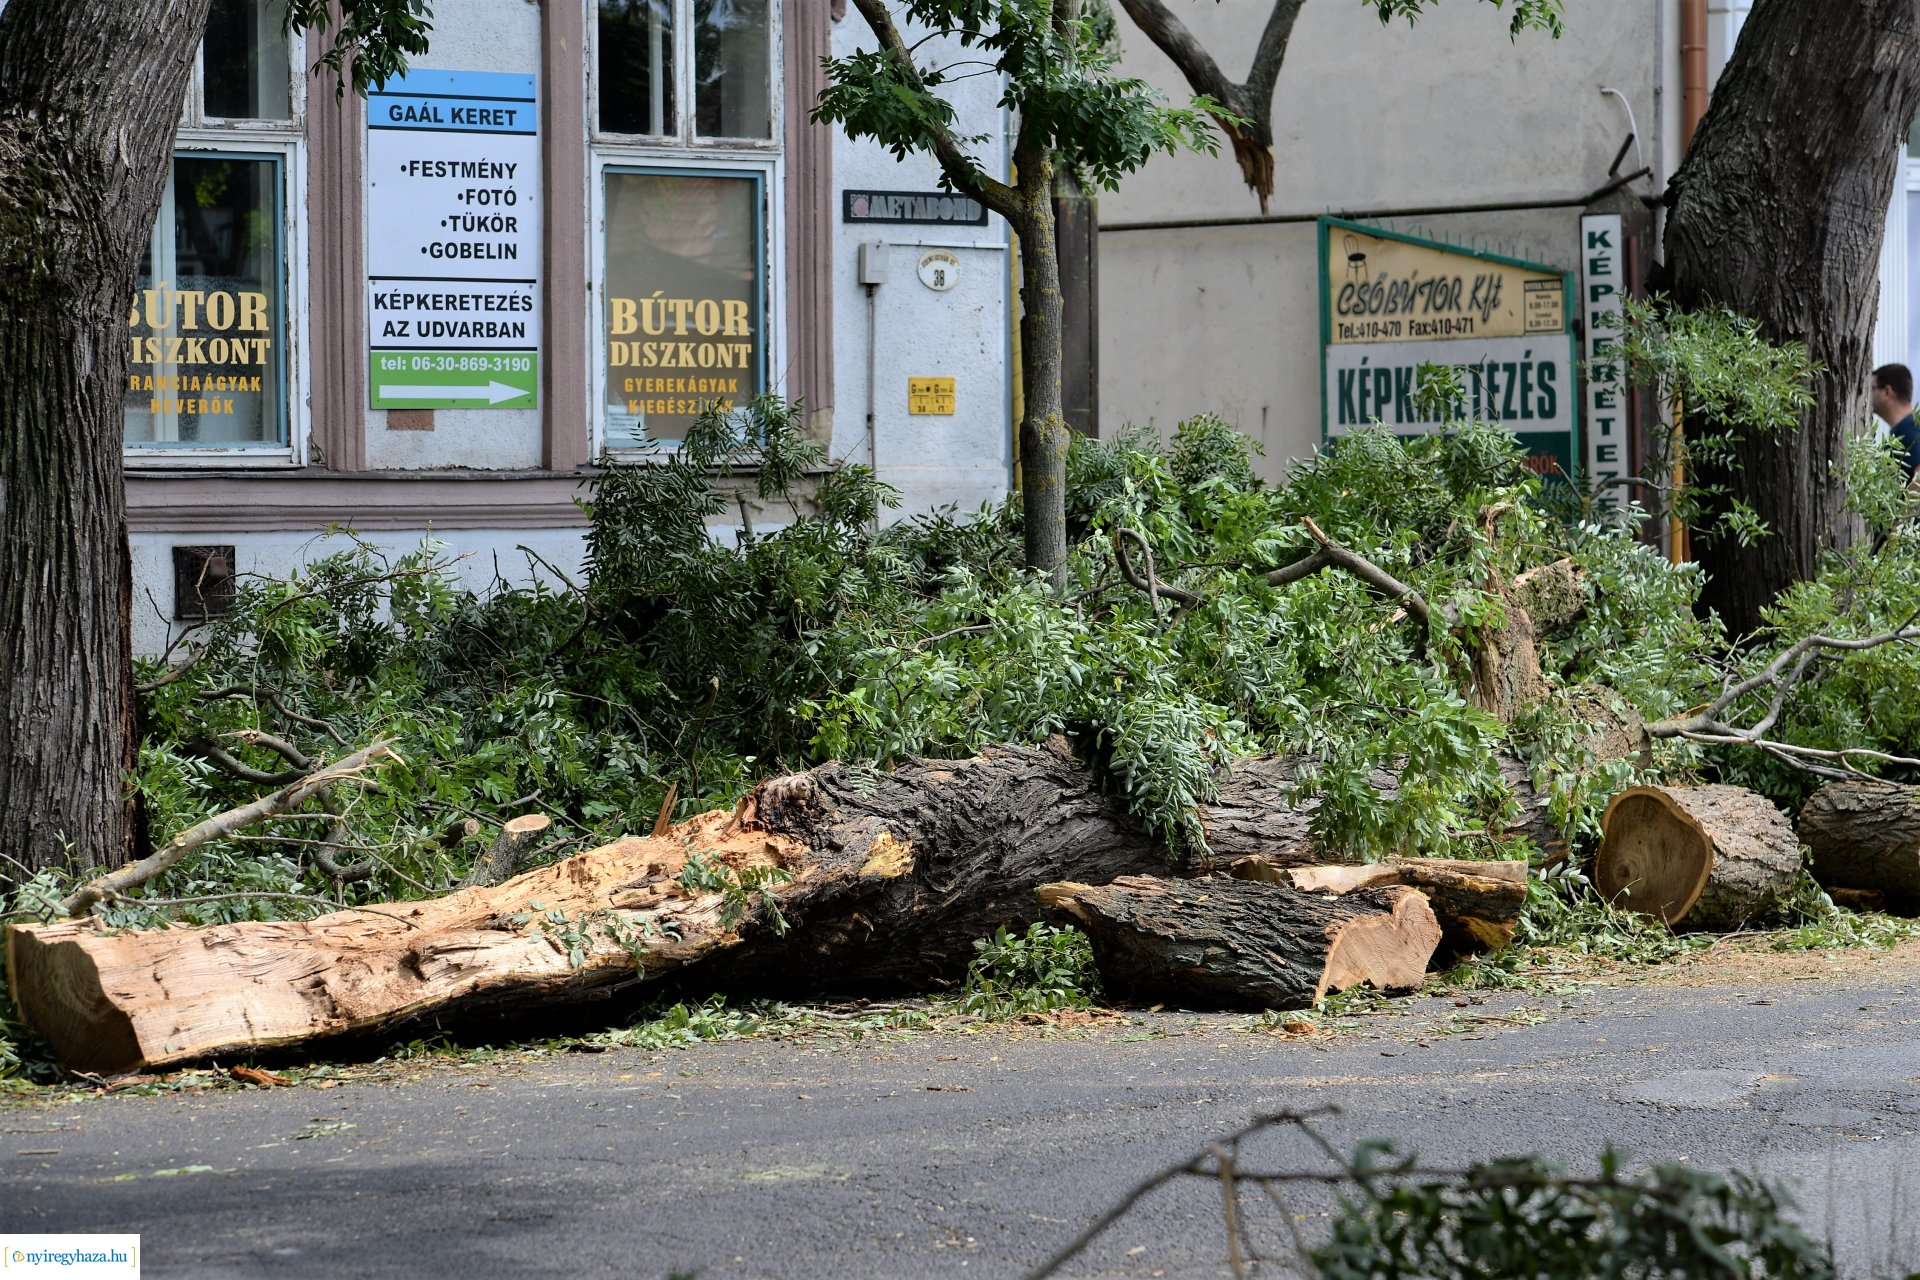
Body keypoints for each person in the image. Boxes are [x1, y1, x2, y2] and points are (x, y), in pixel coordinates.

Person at [1870, 363, 1920, 482]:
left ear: (1887, 391)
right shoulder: (1905, 428)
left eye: (1872, 388)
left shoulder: (1910, 431)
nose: (1867, 394)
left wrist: (1907, 500)